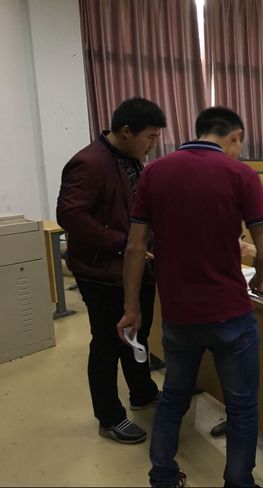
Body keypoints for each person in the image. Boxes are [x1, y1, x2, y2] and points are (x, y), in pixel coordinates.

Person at [117, 107, 263, 488]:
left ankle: (163, 476)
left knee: (173, 396)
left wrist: (132, 307)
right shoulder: (242, 175)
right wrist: (261, 281)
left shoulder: (154, 172)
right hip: (231, 314)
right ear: (235, 136)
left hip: (179, 314)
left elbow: (135, 248)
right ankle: (238, 482)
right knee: (242, 406)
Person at [56, 97, 166, 444]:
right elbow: (70, 215)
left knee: (137, 334)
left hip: (136, 265)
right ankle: (109, 416)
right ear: (126, 131)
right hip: (102, 271)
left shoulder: (130, 159)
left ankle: (142, 392)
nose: (153, 144)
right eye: (150, 137)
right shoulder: (89, 162)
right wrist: (122, 244)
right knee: (107, 343)